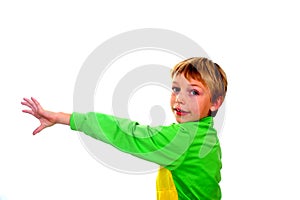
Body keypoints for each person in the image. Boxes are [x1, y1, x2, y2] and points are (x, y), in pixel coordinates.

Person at [21, 57, 228, 200]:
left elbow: (125, 132)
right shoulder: (207, 136)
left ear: (215, 103)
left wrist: (64, 118)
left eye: (193, 92)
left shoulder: (183, 140)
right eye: (175, 89)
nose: (179, 99)